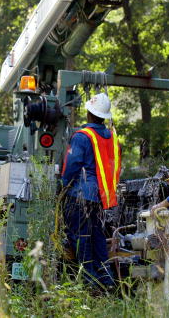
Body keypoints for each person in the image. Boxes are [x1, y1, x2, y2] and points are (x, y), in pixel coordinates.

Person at [60, 92, 121, 287]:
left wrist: (63, 184)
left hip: (79, 195)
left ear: (88, 112)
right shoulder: (111, 137)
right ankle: (106, 278)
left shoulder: (82, 136)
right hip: (100, 197)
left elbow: (72, 165)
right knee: (98, 238)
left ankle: (88, 280)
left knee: (80, 237)